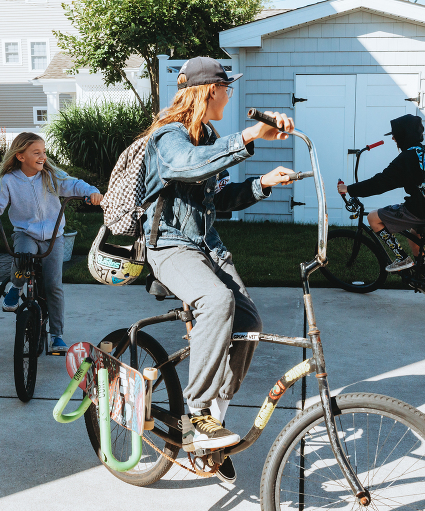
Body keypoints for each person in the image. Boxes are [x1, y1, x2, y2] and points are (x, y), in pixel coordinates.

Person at [140, 56, 294, 481]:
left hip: (207, 246)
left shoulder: (206, 136)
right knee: (216, 299)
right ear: (212, 90)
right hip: (169, 245)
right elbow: (186, 165)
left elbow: (218, 197)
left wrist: (262, 184)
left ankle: (214, 423)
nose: (230, 94)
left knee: (249, 323)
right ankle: (196, 413)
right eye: (227, 87)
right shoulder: (167, 136)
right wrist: (249, 135)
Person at [0, 132, 102, 353]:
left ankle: (57, 335)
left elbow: (74, 185)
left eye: (43, 152)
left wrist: (92, 192)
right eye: (36, 152)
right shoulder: (8, 181)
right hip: (26, 233)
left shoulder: (51, 175)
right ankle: (16, 287)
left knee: (53, 286)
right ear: (20, 156)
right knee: (23, 258)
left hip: (53, 236)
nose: (42, 157)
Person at [338, 114, 425, 272]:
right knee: (415, 233)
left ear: (404, 135)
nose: (393, 138)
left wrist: (350, 189)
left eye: (395, 135)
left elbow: (380, 183)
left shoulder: (407, 158)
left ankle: (402, 258)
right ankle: (424, 272)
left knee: (373, 218)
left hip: (422, 210)